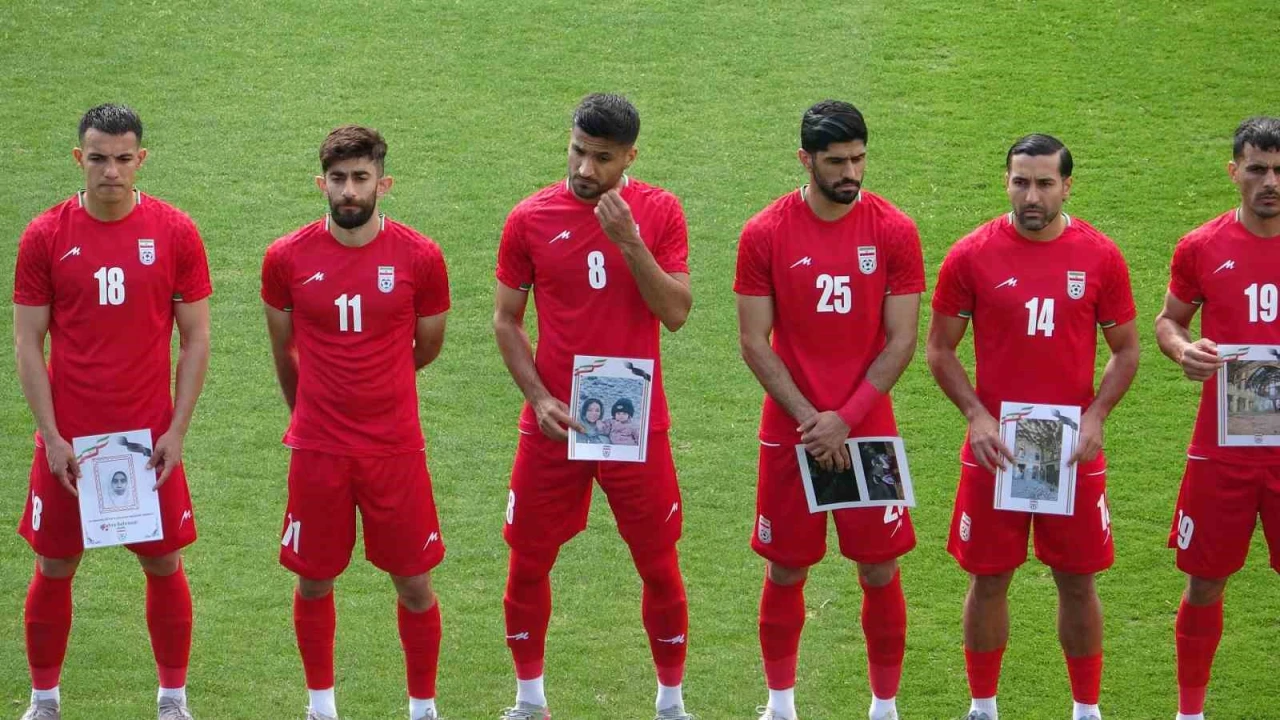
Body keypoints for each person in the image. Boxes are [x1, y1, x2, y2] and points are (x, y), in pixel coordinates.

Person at [493, 93, 693, 720]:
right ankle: (529, 702)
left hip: (634, 419)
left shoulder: (660, 212)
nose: (584, 169)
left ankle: (670, 704)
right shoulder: (529, 218)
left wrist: (629, 241)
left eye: (602, 158)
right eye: (578, 151)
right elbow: (505, 320)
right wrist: (538, 397)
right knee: (528, 561)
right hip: (555, 419)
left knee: (658, 563)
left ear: (630, 156)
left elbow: (676, 312)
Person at [926, 134, 1140, 720]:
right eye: (1021, 182)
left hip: (1069, 448)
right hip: (997, 445)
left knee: (1078, 580)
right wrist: (976, 415)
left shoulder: (1100, 256)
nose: (1031, 196)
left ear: (1067, 187)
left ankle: (1086, 710)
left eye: (1045, 183)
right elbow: (939, 348)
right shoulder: (970, 255)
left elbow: (1126, 350)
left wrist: (1096, 415)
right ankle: (983, 707)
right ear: (1006, 182)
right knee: (989, 578)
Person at [13, 103, 212, 720]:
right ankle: (44, 702)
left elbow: (196, 338)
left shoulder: (175, 232)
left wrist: (177, 430)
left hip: (147, 441)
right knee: (54, 564)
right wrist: (51, 436)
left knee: (163, 561)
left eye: (124, 159)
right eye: (98, 158)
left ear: (140, 159)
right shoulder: (45, 236)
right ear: (80, 158)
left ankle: (173, 700)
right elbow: (27, 342)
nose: (111, 171)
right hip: (70, 441)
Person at [735, 100, 923, 720]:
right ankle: (780, 706)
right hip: (792, 431)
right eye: (837, 162)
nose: (852, 173)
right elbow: (753, 341)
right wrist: (812, 420)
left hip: (866, 428)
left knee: (879, 568)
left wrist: (846, 417)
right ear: (805, 160)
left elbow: (902, 339)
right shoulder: (765, 233)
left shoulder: (894, 230)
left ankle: (884, 708)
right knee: (786, 569)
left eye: (859, 159)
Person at [261, 125, 451, 720]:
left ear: (382, 184)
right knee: (313, 580)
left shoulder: (421, 257)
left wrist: (380, 383)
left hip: (394, 448)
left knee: (414, 583)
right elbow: (284, 350)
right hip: (318, 449)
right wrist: (308, 412)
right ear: (321, 183)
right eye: (338, 178)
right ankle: (321, 708)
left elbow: (428, 346)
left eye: (361, 178)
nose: (349, 190)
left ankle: (423, 708)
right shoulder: (286, 257)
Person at [1154, 116, 1280, 720]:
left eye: (1279, 170)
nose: (1270, 181)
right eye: (1257, 169)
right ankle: (1190, 713)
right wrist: (1184, 350)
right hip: (1223, 447)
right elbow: (1168, 321)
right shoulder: (1201, 246)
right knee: (1204, 581)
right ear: (1234, 172)